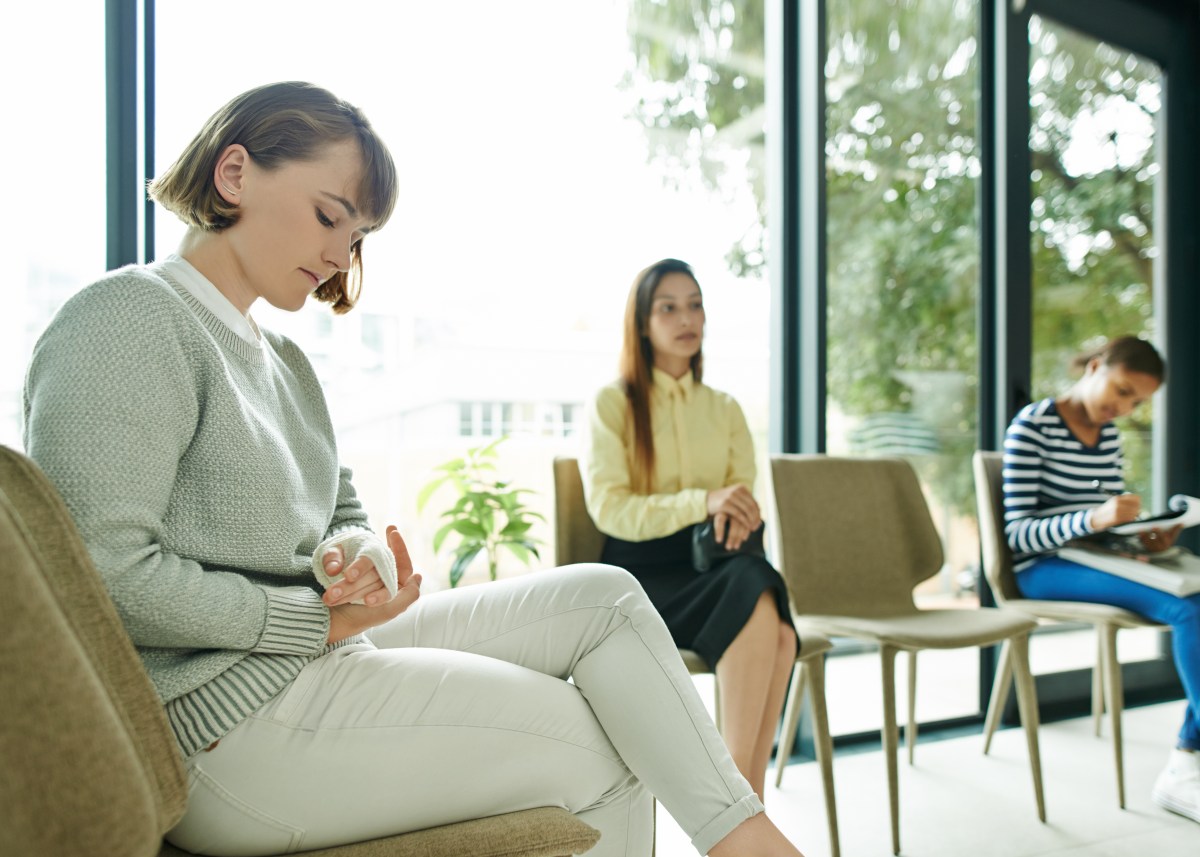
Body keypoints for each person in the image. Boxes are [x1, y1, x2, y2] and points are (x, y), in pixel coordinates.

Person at [21, 82, 808, 857]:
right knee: (604, 746)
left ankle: (744, 837)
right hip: (228, 727)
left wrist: (354, 558)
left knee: (605, 599)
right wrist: (315, 620)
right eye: (330, 215)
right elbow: (105, 576)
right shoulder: (126, 317)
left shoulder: (284, 360)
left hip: (323, 656)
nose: (340, 254)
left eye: (357, 235)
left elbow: (344, 510)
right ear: (234, 175)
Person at [582, 258, 798, 799]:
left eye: (696, 304)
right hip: (640, 575)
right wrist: (702, 501)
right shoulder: (613, 404)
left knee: (776, 621)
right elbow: (611, 510)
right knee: (762, 601)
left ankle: (742, 800)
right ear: (642, 324)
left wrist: (729, 511)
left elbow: (738, 501)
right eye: (669, 307)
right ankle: (745, 805)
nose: (687, 318)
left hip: (713, 563)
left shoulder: (724, 409)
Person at [1002, 335, 1200, 824]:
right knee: (1189, 608)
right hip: (1042, 570)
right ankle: (1185, 768)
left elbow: (1108, 526)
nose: (1124, 406)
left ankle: (1188, 760)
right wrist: (1093, 520)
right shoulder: (1034, 425)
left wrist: (1145, 538)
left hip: (1096, 560)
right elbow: (1017, 536)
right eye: (1122, 389)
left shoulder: (1107, 437)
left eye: (1137, 401)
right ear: (1095, 367)